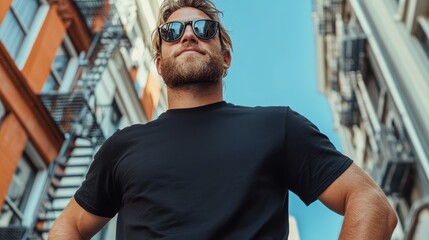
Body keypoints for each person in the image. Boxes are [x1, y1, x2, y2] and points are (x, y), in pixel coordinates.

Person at [49, 0, 398, 239]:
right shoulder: (121, 146)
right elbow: (68, 226)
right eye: (172, 33)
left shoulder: (277, 126)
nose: (188, 35)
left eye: (203, 28)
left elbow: (371, 202)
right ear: (158, 64)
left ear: (225, 57)